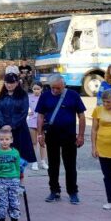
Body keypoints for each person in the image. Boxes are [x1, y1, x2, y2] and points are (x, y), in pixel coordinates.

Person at [33, 75, 86, 204]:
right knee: (53, 164)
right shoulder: (45, 96)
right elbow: (40, 115)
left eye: (59, 88)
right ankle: (54, 190)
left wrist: (81, 135)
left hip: (69, 135)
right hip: (52, 134)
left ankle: (73, 192)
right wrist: (40, 134)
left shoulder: (73, 95)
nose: (56, 90)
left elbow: (81, 116)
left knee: (70, 165)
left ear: (64, 85)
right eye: (53, 88)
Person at [0, 73, 36, 165]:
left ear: (17, 83)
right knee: (5, 156)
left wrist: (12, 125)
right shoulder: (1, 96)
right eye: (7, 82)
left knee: (20, 158)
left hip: (20, 129)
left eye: (12, 83)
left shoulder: (23, 95)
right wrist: (3, 125)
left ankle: (18, 178)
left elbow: (24, 112)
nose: (9, 85)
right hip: (4, 130)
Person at [0, 128, 24, 221]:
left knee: (14, 202)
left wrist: (19, 180)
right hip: (0, 180)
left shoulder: (15, 152)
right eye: (2, 139)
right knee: (2, 203)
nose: (4, 141)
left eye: (7, 139)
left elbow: (18, 167)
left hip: (13, 180)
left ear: (11, 140)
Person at [26, 84, 47, 171]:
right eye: (34, 89)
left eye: (38, 89)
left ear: (41, 89)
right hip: (32, 121)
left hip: (43, 122)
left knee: (42, 142)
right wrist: (27, 113)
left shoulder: (45, 97)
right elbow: (23, 108)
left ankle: (43, 161)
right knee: (34, 143)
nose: (36, 91)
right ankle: (34, 162)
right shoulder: (29, 97)